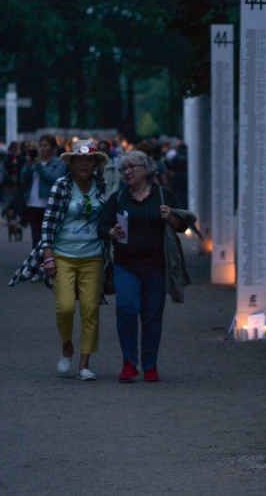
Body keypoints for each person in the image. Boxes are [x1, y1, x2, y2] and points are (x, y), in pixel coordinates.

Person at [10, 140, 109, 381]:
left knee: (90, 309)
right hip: (63, 254)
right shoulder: (61, 186)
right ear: (72, 163)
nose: (85, 164)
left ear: (95, 164)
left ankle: (85, 363)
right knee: (65, 307)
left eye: (89, 160)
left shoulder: (101, 185)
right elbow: (48, 223)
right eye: (80, 160)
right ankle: (67, 346)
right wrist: (48, 257)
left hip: (93, 255)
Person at [99, 150, 196, 383]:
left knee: (152, 316)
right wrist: (112, 232)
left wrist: (171, 217)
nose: (127, 172)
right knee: (127, 309)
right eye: (124, 169)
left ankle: (150, 365)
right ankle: (129, 363)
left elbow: (183, 226)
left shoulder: (163, 195)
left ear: (146, 169)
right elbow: (102, 226)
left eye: (132, 167)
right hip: (126, 265)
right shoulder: (118, 198)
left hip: (157, 266)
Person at [20, 135, 69, 248]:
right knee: (35, 236)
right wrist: (28, 166)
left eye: (45, 146)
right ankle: (36, 262)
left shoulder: (59, 163)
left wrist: (39, 167)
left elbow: (55, 179)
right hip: (32, 202)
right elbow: (23, 180)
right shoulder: (35, 162)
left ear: (53, 148)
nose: (42, 149)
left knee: (47, 237)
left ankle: (47, 260)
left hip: (48, 203)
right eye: (40, 146)